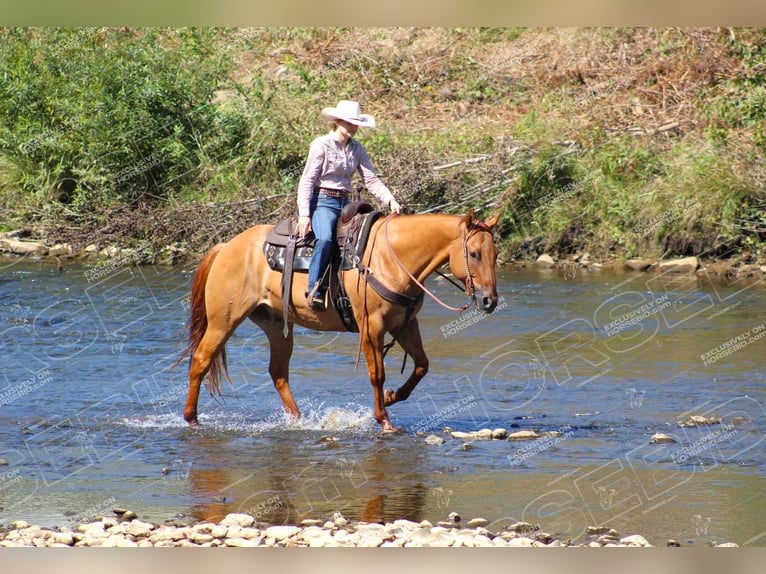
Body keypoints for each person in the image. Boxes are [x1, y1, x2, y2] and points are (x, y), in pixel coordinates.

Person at [296, 100, 402, 311]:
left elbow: (370, 179)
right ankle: (314, 288)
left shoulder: (357, 148)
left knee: (368, 238)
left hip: (345, 202)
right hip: (323, 201)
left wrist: (390, 199)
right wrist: (304, 215)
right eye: (350, 123)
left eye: (356, 124)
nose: (354, 127)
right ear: (338, 122)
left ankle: (358, 288)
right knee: (325, 238)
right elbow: (307, 180)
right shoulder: (321, 144)